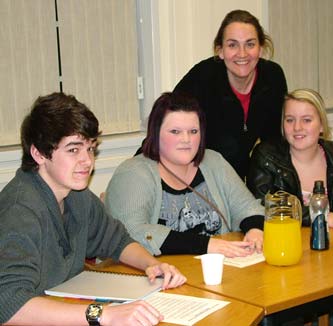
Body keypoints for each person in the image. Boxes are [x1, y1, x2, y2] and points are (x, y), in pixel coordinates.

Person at [0, 93, 186, 326]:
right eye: (73, 150)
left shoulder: (76, 196)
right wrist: (103, 314)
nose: (87, 161)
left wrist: (152, 265)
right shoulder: (19, 211)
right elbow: (9, 305)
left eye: (90, 148)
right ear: (38, 154)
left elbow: (117, 241)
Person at [106, 92, 264, 258]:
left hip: (215, 271)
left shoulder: (213, 162)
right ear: (155, 133)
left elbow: (247, 207)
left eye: (193, 131)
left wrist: (255, 230)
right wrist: (206, 245)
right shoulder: (132, 173)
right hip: (157, 275)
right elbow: (132, 232)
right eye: (175, 131)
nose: (186, 139)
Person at [172, 9, 288, 179]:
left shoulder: (272, 77)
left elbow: (274, 142)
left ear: (261, 49)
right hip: (194, 174)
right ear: (220, 51)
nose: (242, 54)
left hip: (236, 181)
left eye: (250, 44)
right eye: (232, 45)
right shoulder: (202, 77)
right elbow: (166, 126)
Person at [247, 88, 333, 230]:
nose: (297, 127)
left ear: (321, 125)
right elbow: (260, 207)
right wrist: (319, 216)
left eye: (306, 120)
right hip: (288, 240)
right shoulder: (266, 156)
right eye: (289, 120)